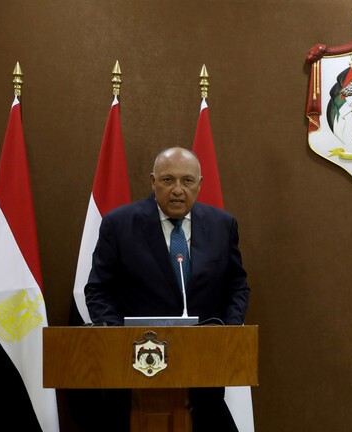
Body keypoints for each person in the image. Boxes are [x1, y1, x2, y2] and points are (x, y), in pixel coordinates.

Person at [85, 146, 249, 432]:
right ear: (153, 181)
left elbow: (237, 287)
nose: (177, 190)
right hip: (133, 374)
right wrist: (120, 339)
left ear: (200, 184)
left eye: (187, 181)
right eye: (167, 180)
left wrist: (227, 333)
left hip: (202, 371)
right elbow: (98, 290)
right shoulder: (119, 224)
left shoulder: (223, 225)